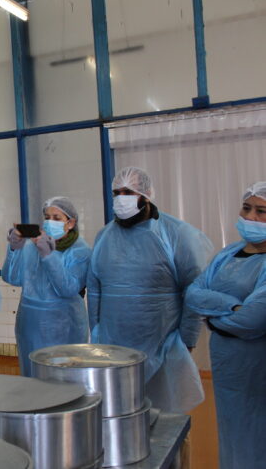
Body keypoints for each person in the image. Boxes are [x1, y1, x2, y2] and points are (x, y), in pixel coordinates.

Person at [87, 167, 213, 413]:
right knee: (119, 414)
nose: (121, 198)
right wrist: (96, 330)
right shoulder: (104, 236)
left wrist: (187, 339)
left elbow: (194, 291)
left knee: (164, 418)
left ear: (146, 195)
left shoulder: (176, 234)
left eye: (128, 192)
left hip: (163, 345)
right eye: (117, 192)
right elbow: (94, 289)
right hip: (113, 347)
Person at [185, 182, 266, 469]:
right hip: (226, 365)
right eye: (246, 208)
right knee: (231, 431)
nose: (250, 217)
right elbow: (193, 294)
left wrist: (212, 315)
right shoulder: (227, 254)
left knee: (256, 432)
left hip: (256, 366)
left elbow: (253, 320)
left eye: (261, 211)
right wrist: (232, 306)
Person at [2, 196, 91, 376]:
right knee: (33, 376)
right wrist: (14, 249)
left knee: (64, 378)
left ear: (71, 223)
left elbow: (68, 288)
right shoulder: (31, 246)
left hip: (65, 325)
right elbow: (12, 277)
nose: (50, 222)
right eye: (47, 217)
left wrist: (49, 256)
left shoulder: (79, 250)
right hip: (29, 324)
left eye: (57, 218)